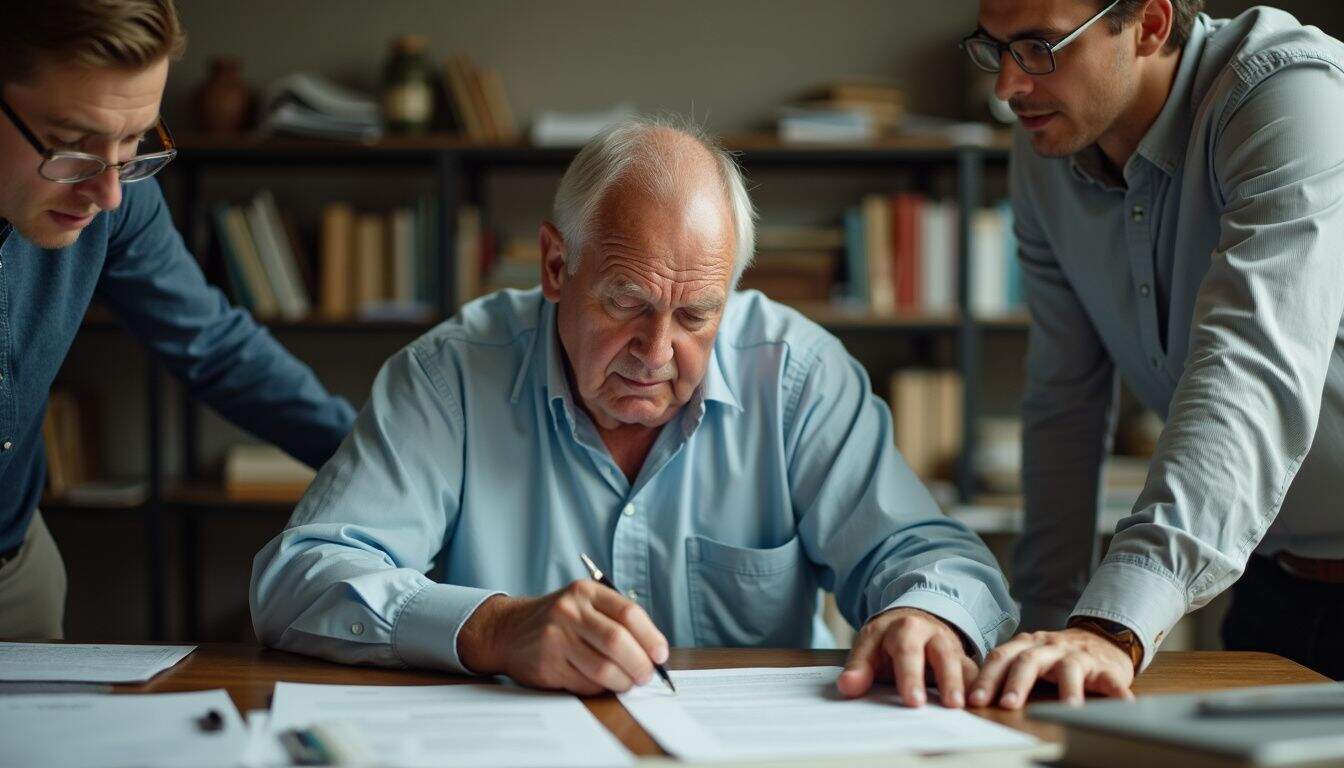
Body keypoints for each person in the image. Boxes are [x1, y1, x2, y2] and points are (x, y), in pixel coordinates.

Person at [251, 117, 1017, 707]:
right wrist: (492, 628)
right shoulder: (452, 375)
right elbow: (298, 580)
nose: (655, 352)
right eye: (627, 301)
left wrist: (930, 617)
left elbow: (939, 560)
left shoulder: (796, 375)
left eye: (695, 316)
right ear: (557, 265)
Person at [958, 0, 1344, 707]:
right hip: (1275, 585)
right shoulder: (1049, 144)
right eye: (995, 48)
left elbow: (1249, 369)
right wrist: (1043, 636)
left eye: (1040, 47)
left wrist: (1113, 623)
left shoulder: (1292, 94)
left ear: (1151, 24)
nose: (1006, 87)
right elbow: (1063, 397)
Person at [0, 0, 355, 640]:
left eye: (133, 143)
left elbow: (215, 347)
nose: (107, 193)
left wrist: (390, 466)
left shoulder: (118, 197)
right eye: (72, 146)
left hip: (16, 565)